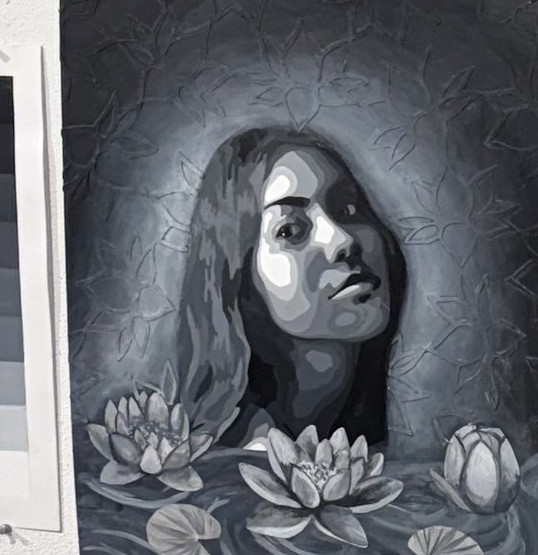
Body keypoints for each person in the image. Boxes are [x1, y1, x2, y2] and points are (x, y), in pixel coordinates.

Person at [171, 127, 404, 447]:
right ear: (242, 281)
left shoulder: (349, 439)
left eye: (348, 209)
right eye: (290, 229)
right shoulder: (253, 460)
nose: (343, 240)